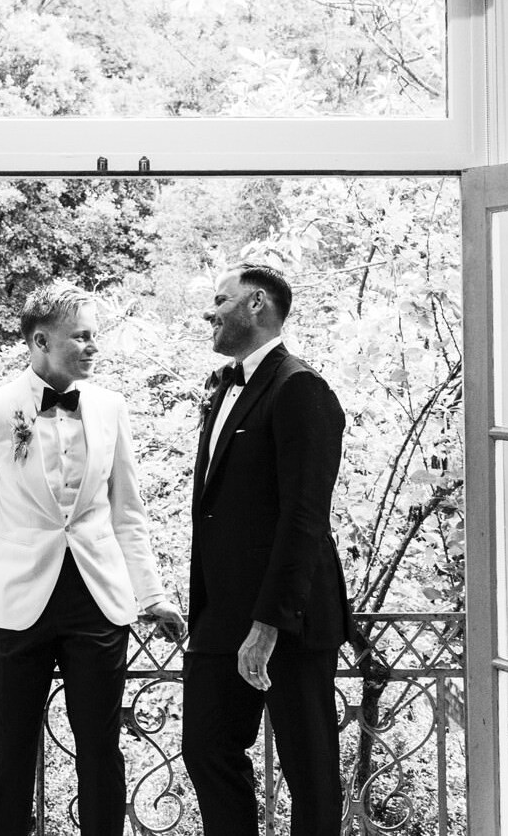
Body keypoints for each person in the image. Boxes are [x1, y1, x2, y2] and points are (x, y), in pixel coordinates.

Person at [0, 281, 186, 836]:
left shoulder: (111, 408)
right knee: (12, 750)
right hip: (16, 603)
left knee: (101, 748)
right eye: (81, 337)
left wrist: (153, 595)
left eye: (95, 336)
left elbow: (128, 512)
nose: (94, 347)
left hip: (98, 602)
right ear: (41, 341)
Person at [182, 264, 350, 835]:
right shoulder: (226, 385)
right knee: (205, 747)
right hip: (221, 614)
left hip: (288, 616)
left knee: (310, 772)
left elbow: (305, 517)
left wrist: (269, 623)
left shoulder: (300, 387)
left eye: (220, 299)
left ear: (256, 304)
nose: (210, 311)